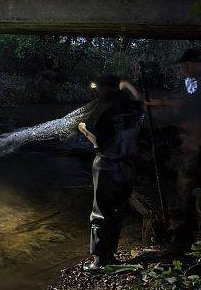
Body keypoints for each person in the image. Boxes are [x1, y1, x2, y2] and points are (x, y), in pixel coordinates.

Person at [147, 48, 201, 241]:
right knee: (196, 187)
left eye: (184, 66)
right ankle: (193, 231)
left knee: (189, 184)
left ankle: (187, 235)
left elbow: (191, 106)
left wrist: (160, 104)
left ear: (191, 64)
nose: (182, 70)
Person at [78, 75, 143, 272]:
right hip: (128, 167)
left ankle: (99, 262)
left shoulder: (103, 111)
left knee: (100, 212)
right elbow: (139, 100)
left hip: (107, 166)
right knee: (117, 210)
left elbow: (98, 143)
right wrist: (127, 85)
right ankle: (111, 254)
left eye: (99, 88)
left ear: (104, 90)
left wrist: (83, 130)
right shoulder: (134, 109)